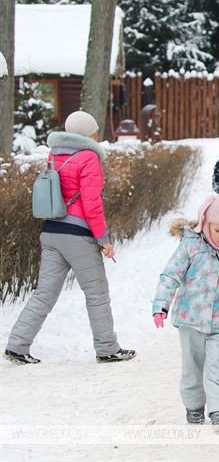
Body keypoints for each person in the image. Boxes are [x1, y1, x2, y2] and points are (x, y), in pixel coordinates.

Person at [5, 111, 135, 365]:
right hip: (77, 234)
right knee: (96, 292)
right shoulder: (88, 157)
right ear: (88, 133)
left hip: (51, 230)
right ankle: (107, 348)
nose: (98, 134)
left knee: (44, 293)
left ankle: (17, 345)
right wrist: (103, 239)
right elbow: (91, 202)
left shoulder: (55, 154)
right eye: (95, 130)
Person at [152, 194, 219, 430]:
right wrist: (161, 304)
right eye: (217, 229)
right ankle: (194, 407)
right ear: (206, 224)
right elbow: (170, 276)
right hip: (189, 321)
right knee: (192, 367)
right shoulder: (191, 246)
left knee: (216, 364)